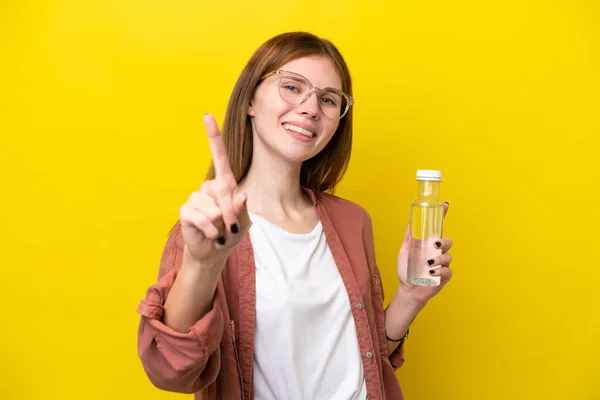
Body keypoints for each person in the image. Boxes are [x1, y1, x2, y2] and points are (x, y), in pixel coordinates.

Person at [136, 31, 454, 400]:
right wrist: (202, 263)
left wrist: (411, 296)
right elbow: (170, 372)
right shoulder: (208, 231)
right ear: (251, 99)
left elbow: (364, 357)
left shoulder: (353, 222)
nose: (310, 107)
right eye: (291, 87)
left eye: (328, 99)